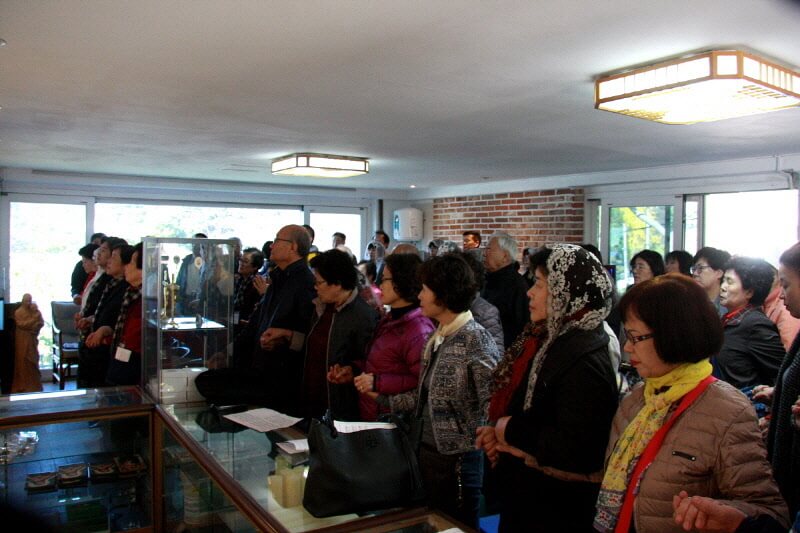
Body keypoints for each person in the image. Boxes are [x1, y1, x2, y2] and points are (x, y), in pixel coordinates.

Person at [593, 273, 788, 533]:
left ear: (672, 335)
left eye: (635, 337)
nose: (628, 347)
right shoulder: (637, 400)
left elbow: (770, 511)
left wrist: (727, 515)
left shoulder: (727, 410)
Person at [475, 244, 618, 532]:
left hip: (555, 506)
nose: (530, 292)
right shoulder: (552, 337)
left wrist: (508, 430)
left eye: (539, 284)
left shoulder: (583, 354)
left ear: (565, 291)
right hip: (530, 494)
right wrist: (500, 432)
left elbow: (579, 446)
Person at [388, 254, 498, 529]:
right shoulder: (438, 335)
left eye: (425, 289)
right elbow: (425, 395)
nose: (419, 295)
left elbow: (493, 401)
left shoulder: (475, 338)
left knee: (455, 526)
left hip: (457, 463)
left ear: (443, 293)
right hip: (426, 454)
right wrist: (383, 400)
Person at [195, 225, 316, 413]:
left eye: (277, 240)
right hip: (258, 364)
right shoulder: (278, 277)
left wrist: (285, 337)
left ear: (293, 247)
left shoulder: (305, 282)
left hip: (281, 375)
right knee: (206, 381)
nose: (272, 246)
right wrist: (227, 352)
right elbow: (254, 324)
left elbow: (309, 334)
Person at [354, 253, 434, 421]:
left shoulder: (418, 330)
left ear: (401, 281)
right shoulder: (390, 319)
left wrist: (378, 382)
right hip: (373, 413)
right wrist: (354, 372)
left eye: (384, 279)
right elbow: (381, 363)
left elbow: (423, 381)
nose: (379, 285)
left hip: (394, 419)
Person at [302, 249, 378, 420]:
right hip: (313, 399)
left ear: (337, 283)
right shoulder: (321, 307)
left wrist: (351, 370)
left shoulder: (363, 316)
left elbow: (369, 362)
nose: (315, 287)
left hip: (341, 406)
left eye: (319, 282)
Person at [716, 257, 784, 388]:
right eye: (723, 280)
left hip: (742, 399)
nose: (723, 287)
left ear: (749, 292)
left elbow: (781, 373)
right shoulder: (727, 319)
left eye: (729, 282)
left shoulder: (757, 325)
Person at [81, 237, 129, 388]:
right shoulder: (110, 282)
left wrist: (104, 329)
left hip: (110, 350)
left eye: (113, 257)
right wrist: (90, 319)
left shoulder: (127, 288)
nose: (108, 261)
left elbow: (120, 320)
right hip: (97, 345)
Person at [103, 243, 143, 386]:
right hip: (121, 362)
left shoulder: (147, 300)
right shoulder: (131, 293)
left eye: (131, 262)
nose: (127, 266)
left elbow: (134, 338)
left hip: (134, 365)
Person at [483, 232, 529, 348]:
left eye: (489, 249)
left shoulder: (517, 286)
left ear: (505, 256)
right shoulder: (486, 280)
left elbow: (522, 327)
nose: (484, 254)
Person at [11, 293, 45, 393]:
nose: (28, 303)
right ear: (23, 301)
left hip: (32, 339)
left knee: (33, 360)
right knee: (22, 361)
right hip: (22, 339)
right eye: (26, 301)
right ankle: (22, 384)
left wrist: (36, 325)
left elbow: (41, 322)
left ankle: (34, 384)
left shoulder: (34, 310)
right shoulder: (18, 312)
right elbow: (21, 324)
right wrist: (33, 320)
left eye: (29, 301)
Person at [763, 264, 800, 351]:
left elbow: (788, 350)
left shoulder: (787, 310)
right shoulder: (766, 303)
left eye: (785, 285)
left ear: (775, 277)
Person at [692, 246, 732, 316]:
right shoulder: (690, 301)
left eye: (700, 268)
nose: (695, 273)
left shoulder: (728, 306)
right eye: (694, 269)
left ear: (719, 273)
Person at [175, 233, 208, 315]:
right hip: (185, 300)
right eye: (194, 243)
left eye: (200, 244)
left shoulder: (209, 262)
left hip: (202, 301)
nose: (197, 246)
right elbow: (179, 281)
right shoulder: (186, 261)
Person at [70, 232, 105, 302]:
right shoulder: (84, 269)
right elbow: (75, 287)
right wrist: (76, 295)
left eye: (103, 249)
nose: (98, 251)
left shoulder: (103, 277)